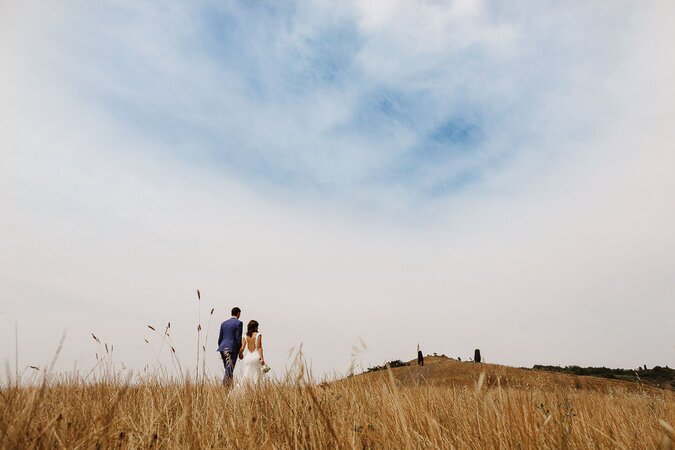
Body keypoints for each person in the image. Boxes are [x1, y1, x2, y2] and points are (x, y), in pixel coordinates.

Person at [235, 320, 266, 387]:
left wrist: (240, 354)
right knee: (256, 376)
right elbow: (259, 347)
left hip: (248, 358)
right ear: (255, 327)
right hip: (256, 357)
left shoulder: (245, 336)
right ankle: (255, 392)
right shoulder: (258, 335)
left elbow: (242, 348)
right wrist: (262, 358)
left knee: (246, 376)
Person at [217, 307, 243, 387]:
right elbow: (238, 338)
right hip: (232, 349)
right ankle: (225, 387)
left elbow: (220, 338)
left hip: (222, 348)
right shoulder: (239, 323)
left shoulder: (223, 323)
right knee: (229, 369)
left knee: (228, 369)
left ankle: (229, 389)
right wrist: (239, 350)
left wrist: (222, 347)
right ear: (238, 313)